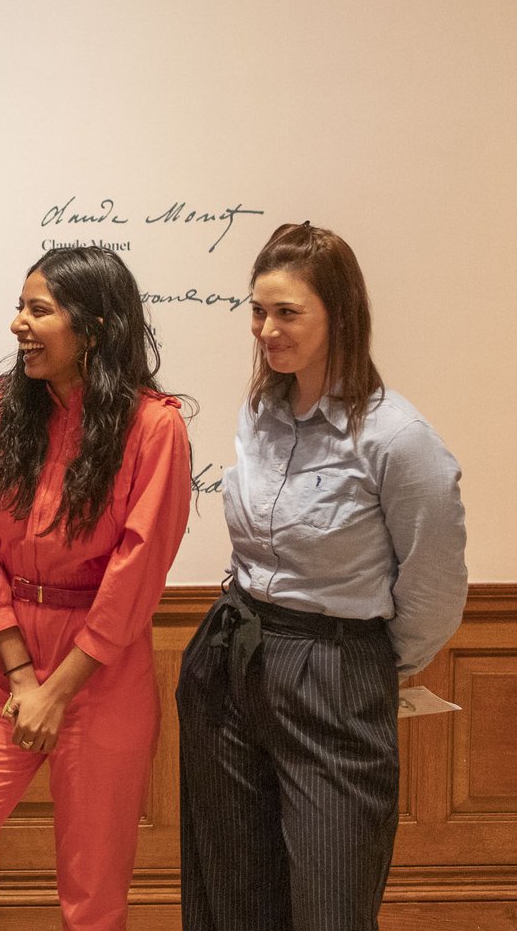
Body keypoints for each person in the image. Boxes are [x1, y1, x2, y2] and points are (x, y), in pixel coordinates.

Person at [177, 223, 467, 931]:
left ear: (339, 314)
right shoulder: (261, 413)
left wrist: (361, 664)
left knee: (331, 902)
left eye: (287, 313)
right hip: (234, 654)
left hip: (334, 668)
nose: (266, 329)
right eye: (257, 310)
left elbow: (435, 587)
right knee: (236, 894)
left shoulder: (396, 438)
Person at [0, 246, 193, 930]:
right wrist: (24, 679)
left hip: (103, 670)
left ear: (93, 327)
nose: (18, 324)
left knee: (92, 899)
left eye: (39, 310)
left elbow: (137, 571)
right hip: (3, 667)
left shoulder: (155, 427)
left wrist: (58, 689)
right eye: (20, 307)